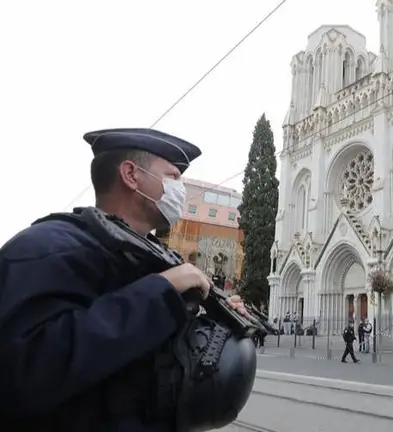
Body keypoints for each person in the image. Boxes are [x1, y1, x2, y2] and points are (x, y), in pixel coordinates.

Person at [0, 128, 250, 431]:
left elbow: (164, 361)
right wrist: (161, 291)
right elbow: (25, 371)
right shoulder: (47, 247)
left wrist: (219, 324)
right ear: (131, 175)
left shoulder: (158, 259)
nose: (180, 190)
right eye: (172, 177)